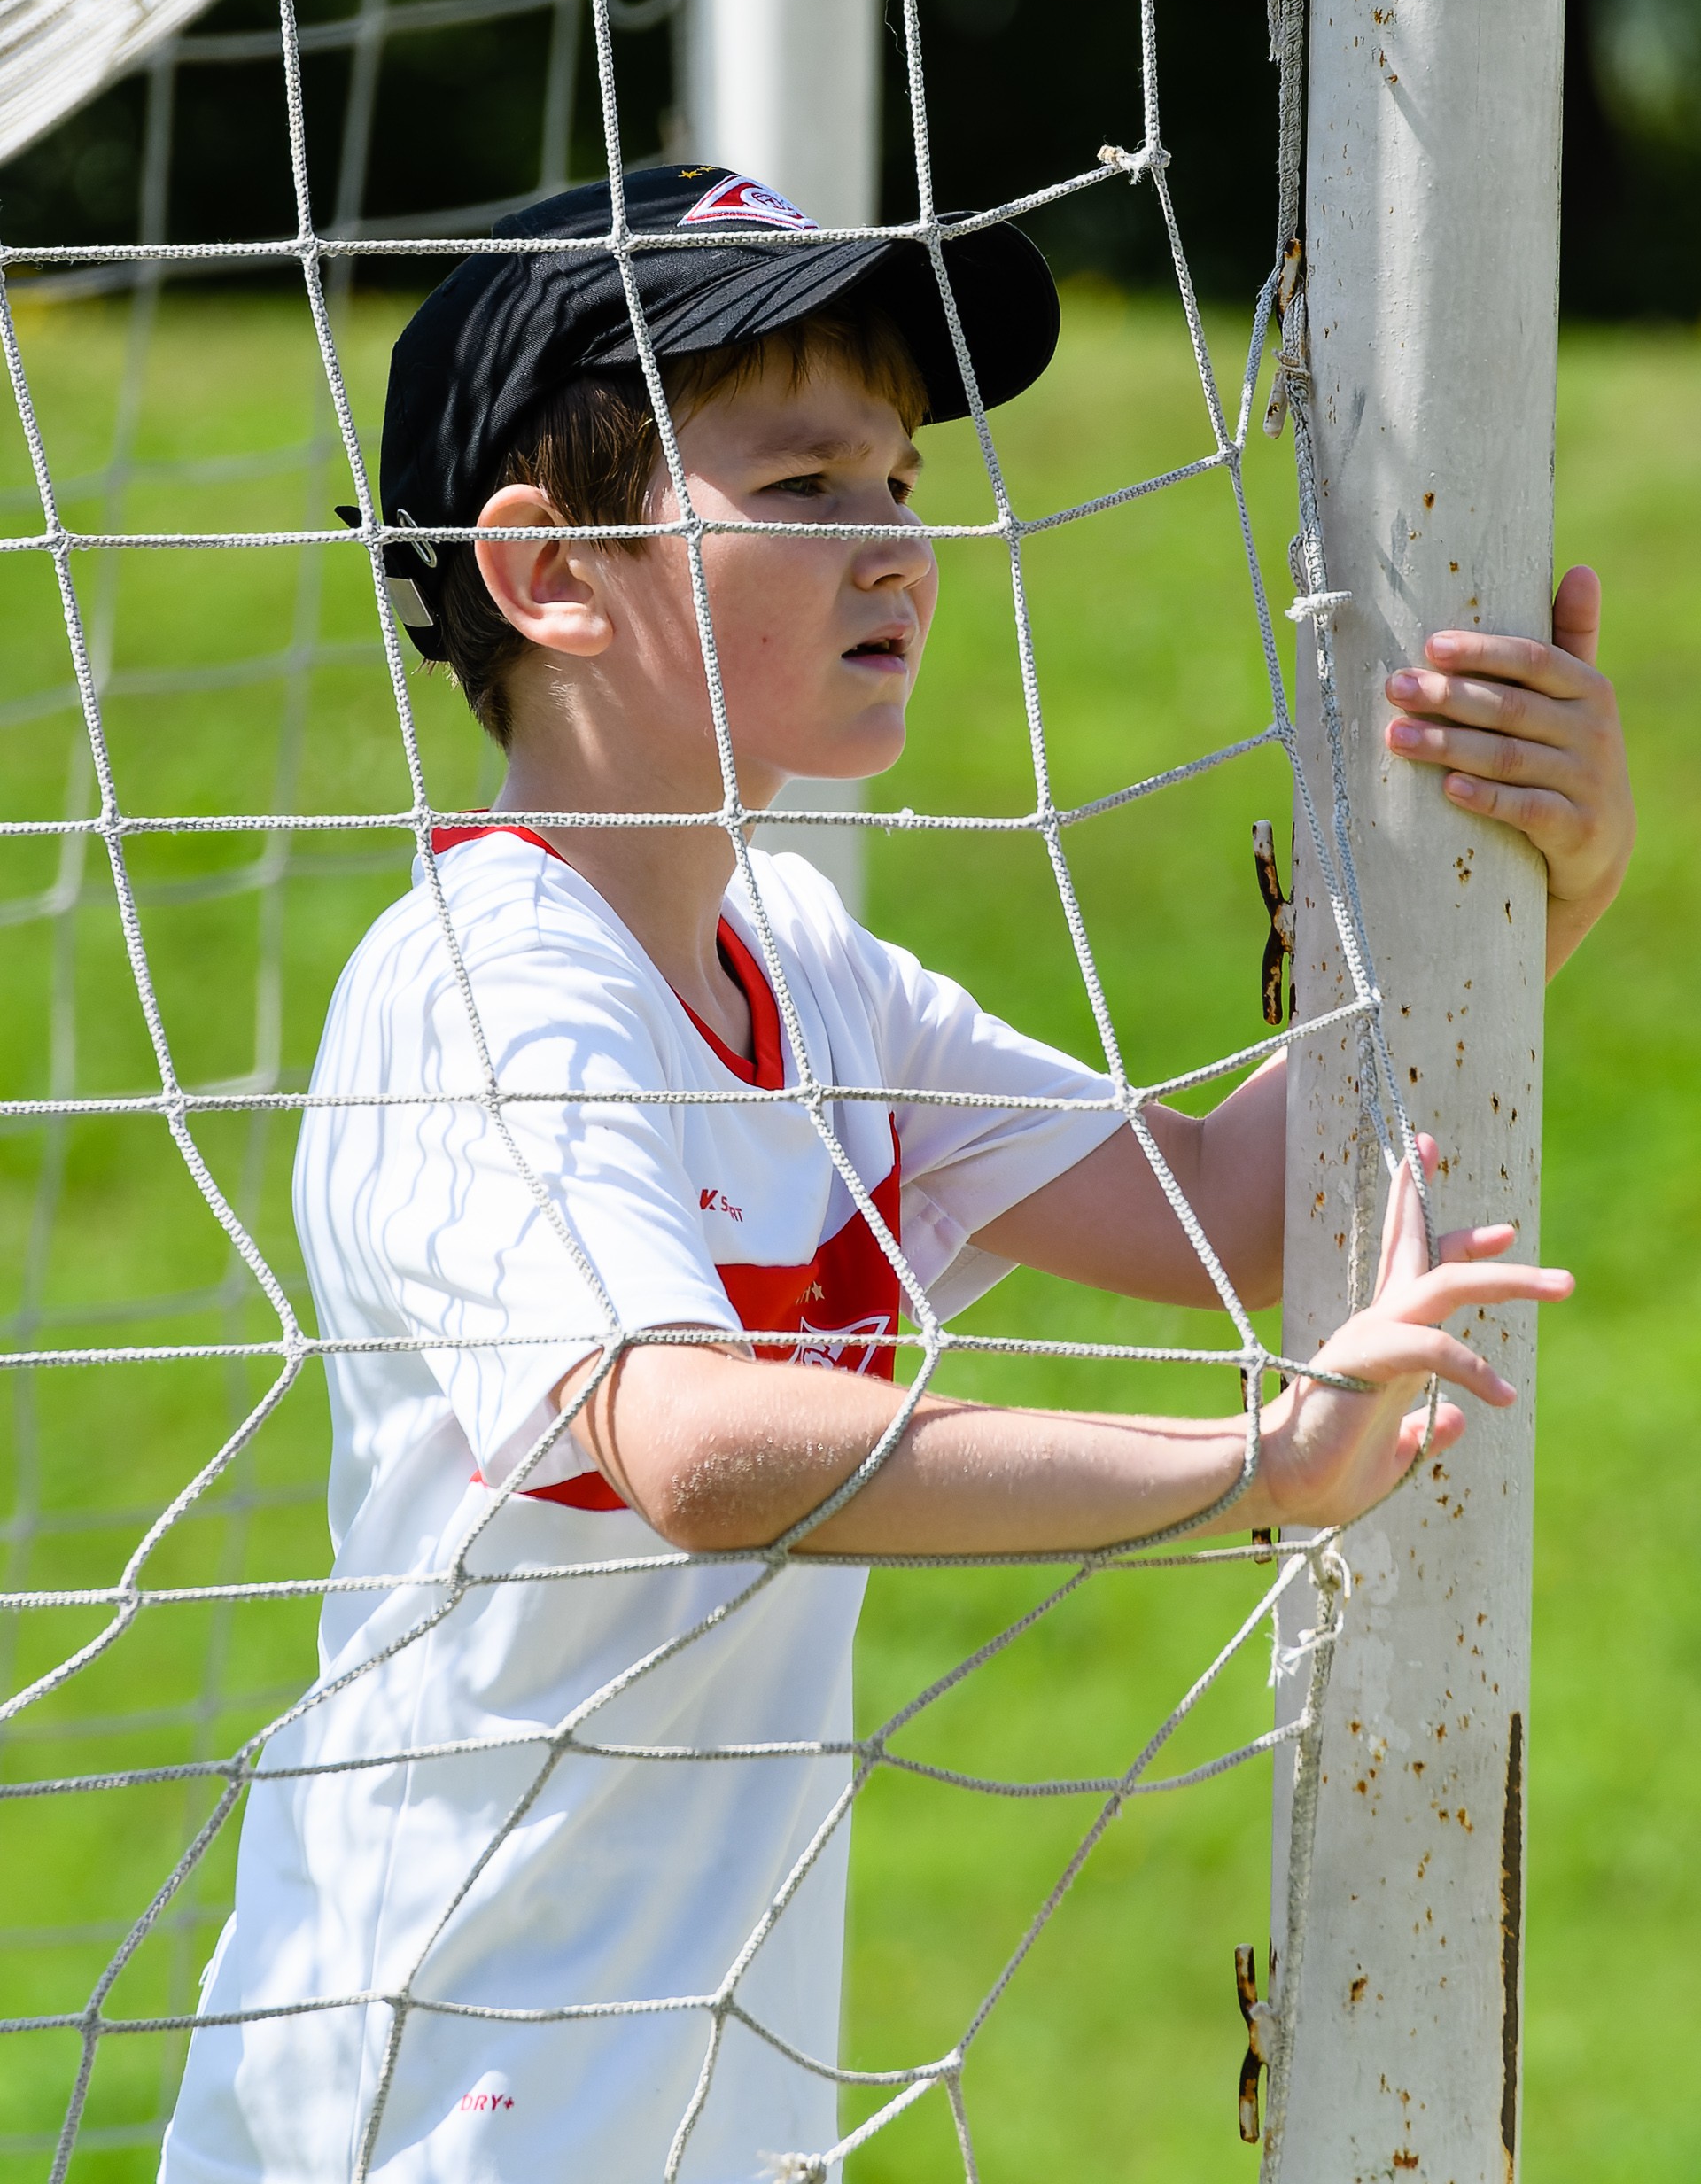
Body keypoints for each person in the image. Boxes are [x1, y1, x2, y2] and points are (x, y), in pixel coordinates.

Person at [161, 166, 1628, 2183]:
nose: (900, 549)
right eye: (806, 486)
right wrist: (1255, 1467)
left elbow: (1230, 1200)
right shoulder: (485, 988)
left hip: (701, 2104)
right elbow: (691, 1445)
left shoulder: (806, 965)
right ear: (550, 570)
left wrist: (1535, 890)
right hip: (429, 2111)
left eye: (903, 483)